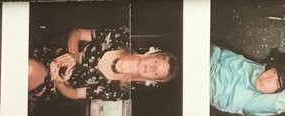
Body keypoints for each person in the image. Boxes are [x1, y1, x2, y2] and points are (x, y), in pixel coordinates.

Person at [28, 26, 177, 103]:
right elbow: (77, 32)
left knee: (30, 69)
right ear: (152, 53)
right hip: (50, 52)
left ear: (152, 80)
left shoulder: (120, 91)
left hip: (52, 83)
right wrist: (73, 53)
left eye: (156, 73)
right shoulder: (120, 37)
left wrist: (60, 83)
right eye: (156, 62)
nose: (151, 68)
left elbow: (74, 94)